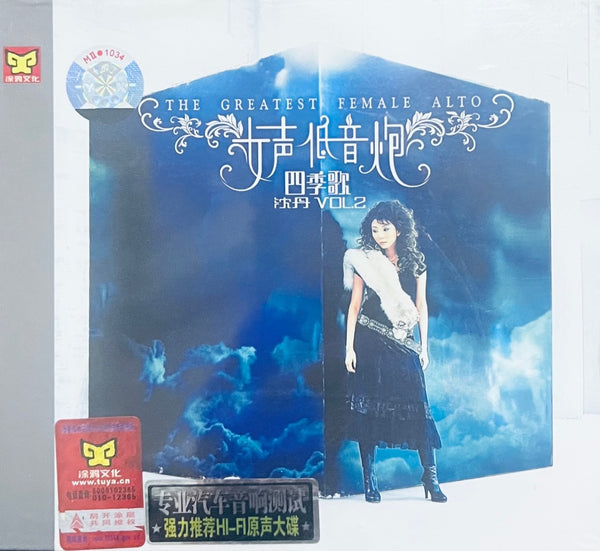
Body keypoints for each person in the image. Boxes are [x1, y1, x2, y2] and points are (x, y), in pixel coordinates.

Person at [343, 200, 446, 503]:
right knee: (369, 411)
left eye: (385, 229)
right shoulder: (365, 260)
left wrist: (424, 346)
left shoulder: (416, 262)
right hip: (369, 341)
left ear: (399, 229)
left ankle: (430, 478)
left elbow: (421, 305)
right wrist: (349, 347)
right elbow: (354, 307)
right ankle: (370, 480)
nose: (380, 235)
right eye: (375, 230)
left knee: (418, 408)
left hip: (403, 342)